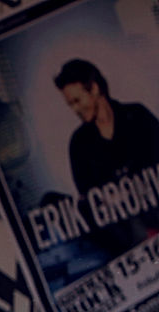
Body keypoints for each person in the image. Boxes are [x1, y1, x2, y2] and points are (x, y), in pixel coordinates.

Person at [54, 58, 159, 252]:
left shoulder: (137, 115)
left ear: (94, 89)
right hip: (123, 228)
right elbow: (88, 198)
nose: (75, 110)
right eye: (70, 105)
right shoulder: (78, 143)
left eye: (77, 101)